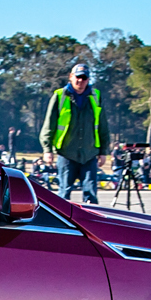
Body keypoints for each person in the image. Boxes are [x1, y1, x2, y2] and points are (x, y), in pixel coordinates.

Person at [38, 60, 109, 204]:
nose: (80, 81)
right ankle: (63, 225)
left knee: (91, 195)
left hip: (89, 154)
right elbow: (49, 124)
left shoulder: (95, 96)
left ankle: (91, 224)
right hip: (66, 153)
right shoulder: (59, 96)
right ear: (71, 76)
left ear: (88, 79)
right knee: (64, 194)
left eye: (84, 78)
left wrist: (103, 151)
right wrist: (47, 149)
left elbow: (102, 125)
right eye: (77, 77)